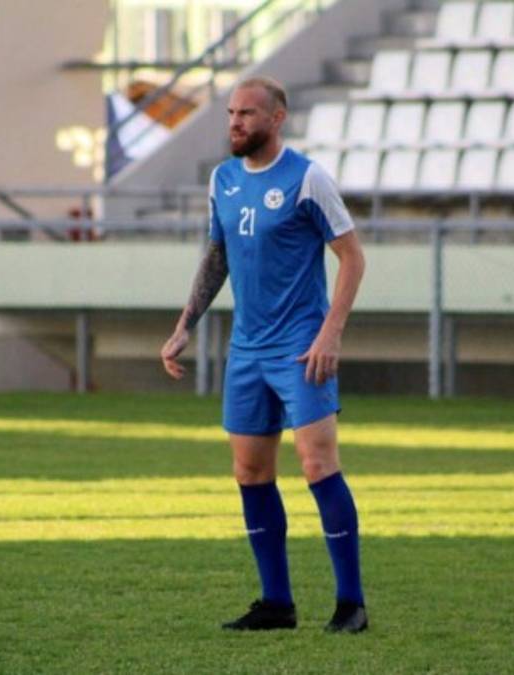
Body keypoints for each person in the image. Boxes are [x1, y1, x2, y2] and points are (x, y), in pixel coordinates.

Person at [160, 76, 368, 633]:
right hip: (247, 349)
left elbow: (351, 258)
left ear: (277, 118)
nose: (234, 122)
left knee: (317, 464)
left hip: (301, 346)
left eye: (247, 114)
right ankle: (277, 604)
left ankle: (351, 603)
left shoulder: (307, 178)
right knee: (250, 472)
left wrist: (330, 333)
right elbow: (217, 257)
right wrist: (185, 326)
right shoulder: (222, 180)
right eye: (230, 113)